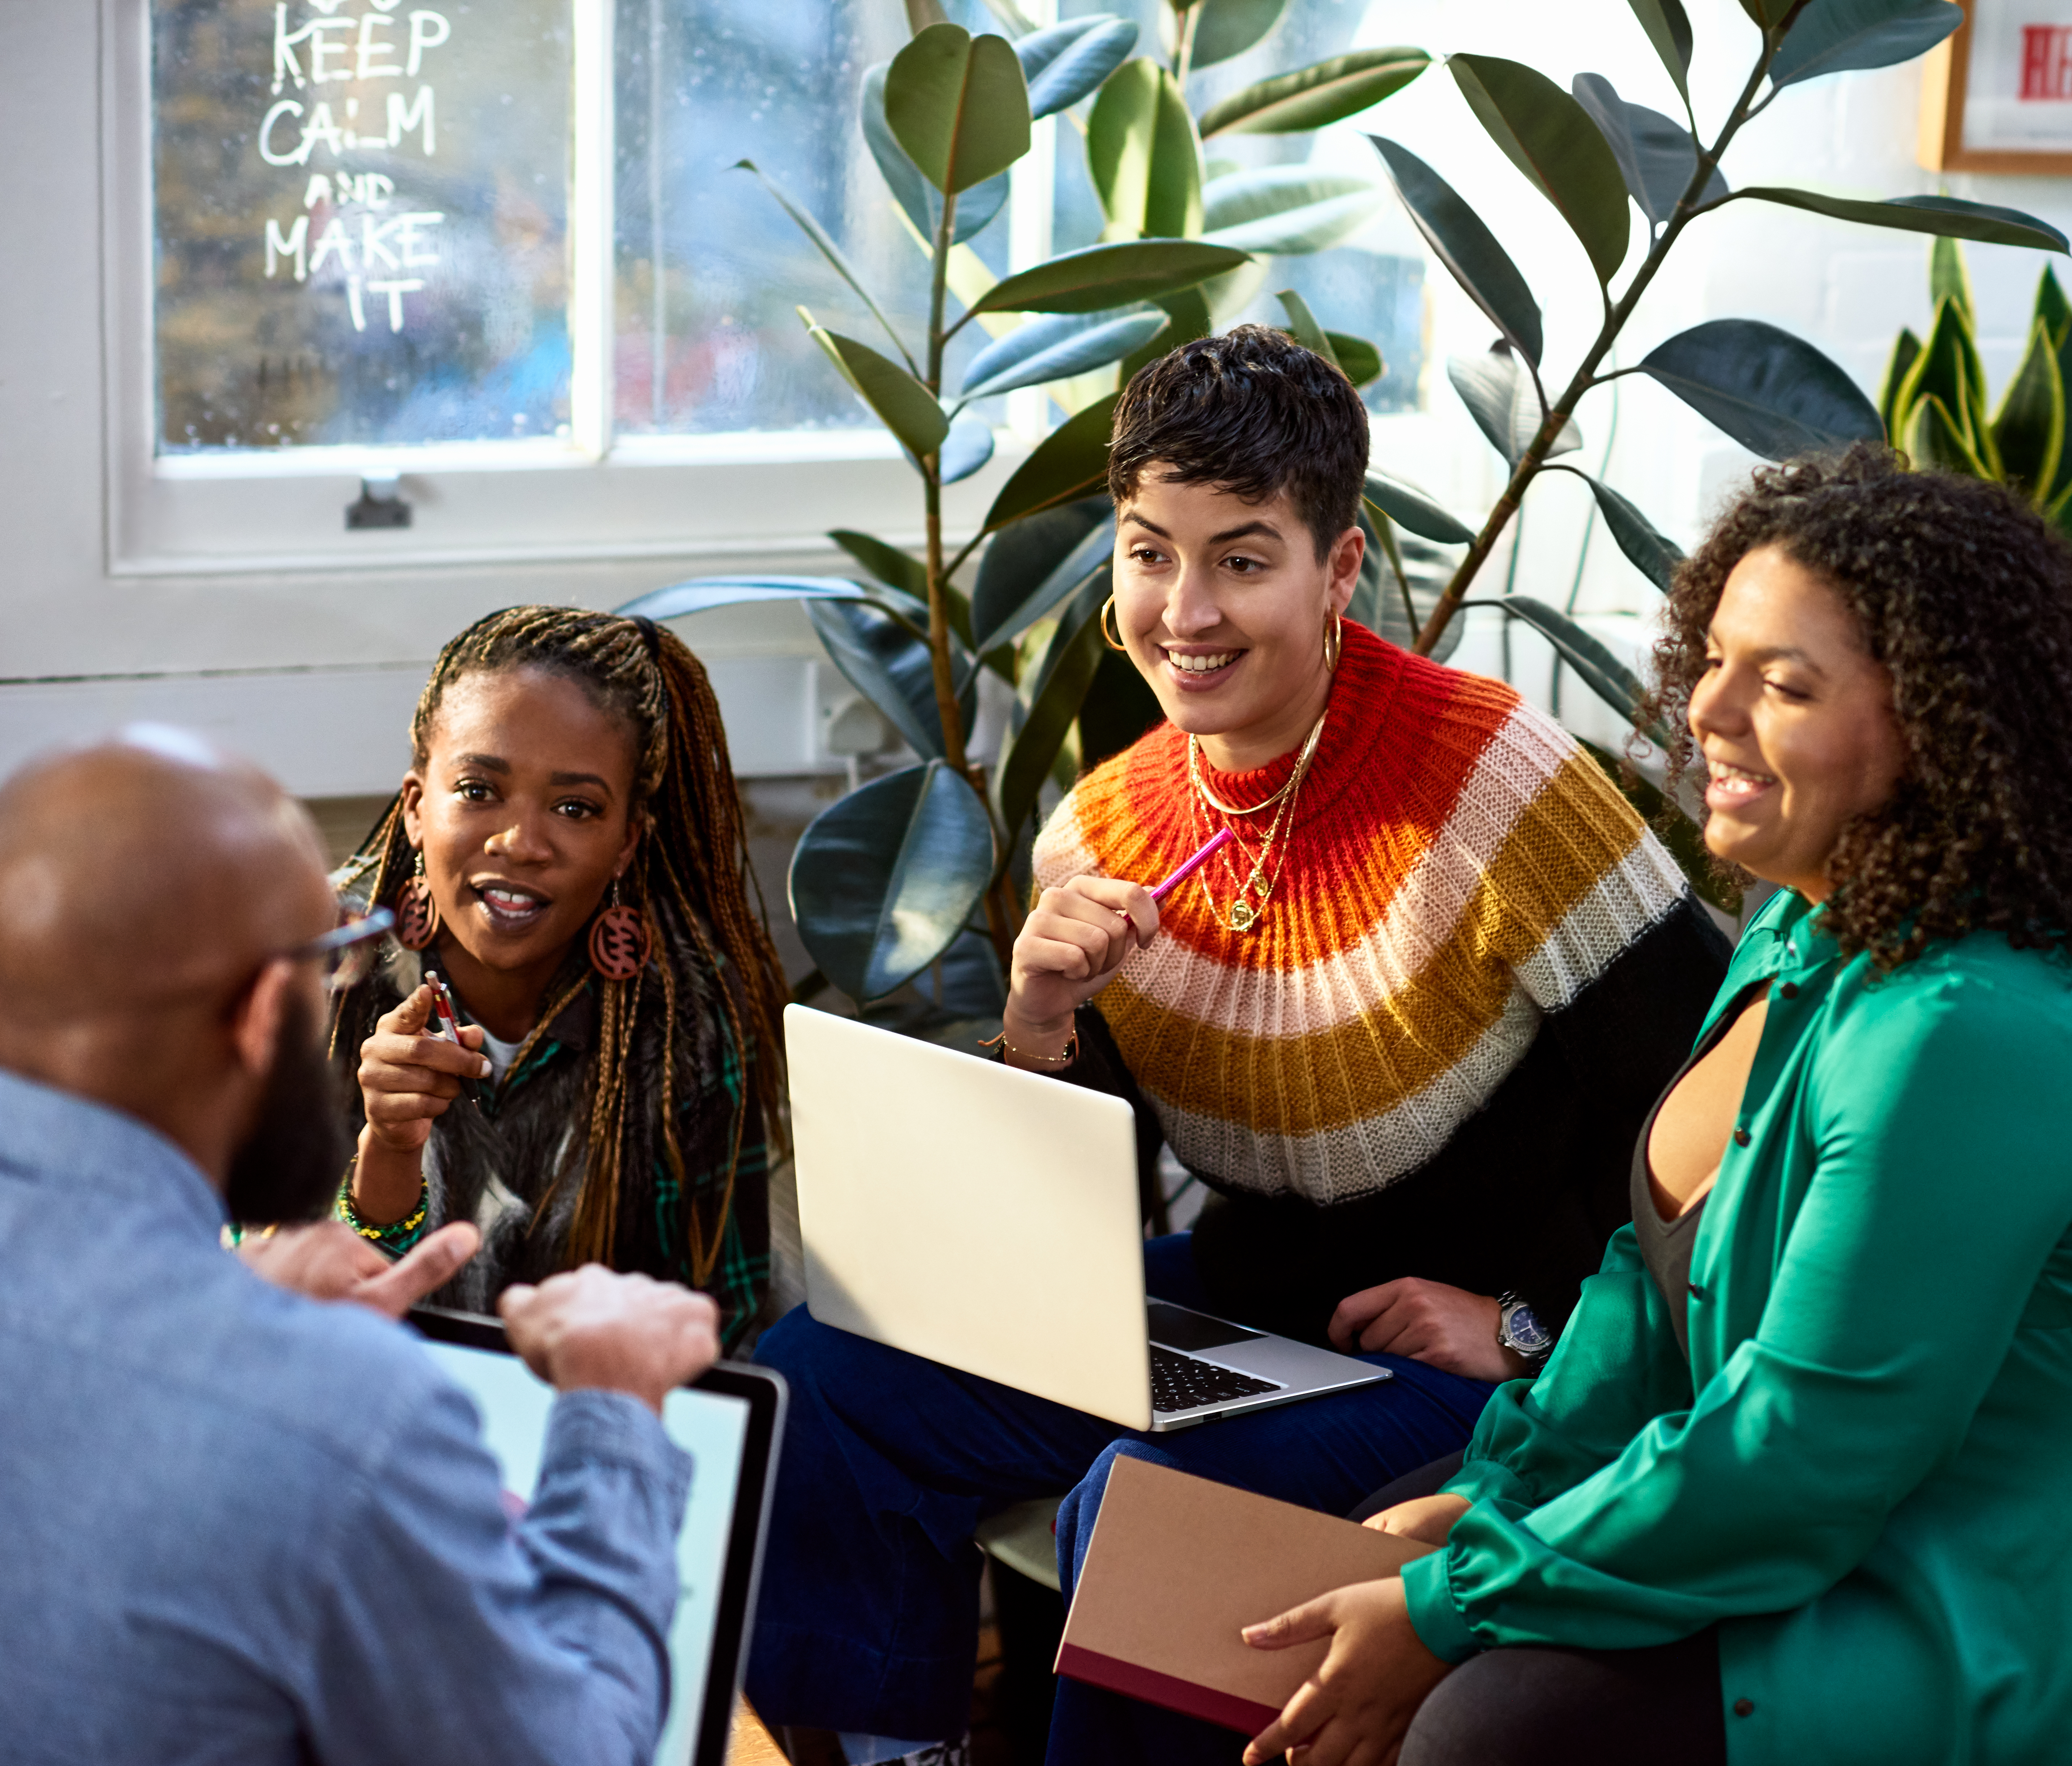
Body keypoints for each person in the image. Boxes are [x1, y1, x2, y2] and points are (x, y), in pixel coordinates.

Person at [1237, 448, 2072, 1766]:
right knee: (1349, 1559)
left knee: (1486, 1725)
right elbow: (1648, 1295)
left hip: (2060, 1606)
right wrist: (1504, 1492)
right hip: (1875, 1509)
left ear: (1939, 726)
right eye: (1715, 657)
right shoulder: (1802, 925)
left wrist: (1467, 1593)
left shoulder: (1972, 1025)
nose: (1707, 707)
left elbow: (1806, 1450)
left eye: (1783, 684)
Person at [743, 325, 1729, 1764]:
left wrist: (1532, 1326)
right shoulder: (1099, 825)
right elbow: (1079, 1208)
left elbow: (1723, 1113)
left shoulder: (1498, 782)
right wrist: (1039, 1024)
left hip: (1480, 1353)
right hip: (1249, 1313)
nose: (1185, 610)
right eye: (1150, 554)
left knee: (1150, 1511)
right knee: (823, 1371)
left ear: (1338, 569)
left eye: (1242, 559)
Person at [0, 730, 725, 1766]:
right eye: (329, 955)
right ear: (263, 1012)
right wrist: (612, 1412)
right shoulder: (349, 1423)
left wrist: (225, 1298)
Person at [327, 606, 794, 1350]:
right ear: (416, 807)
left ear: (625, 844)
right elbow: (263, 1298)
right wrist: (387, 1150)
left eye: (575, 807)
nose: (521, 842)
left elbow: (715, 1322)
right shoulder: (318, 970)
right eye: (479, 790)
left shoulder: (688, 1017)